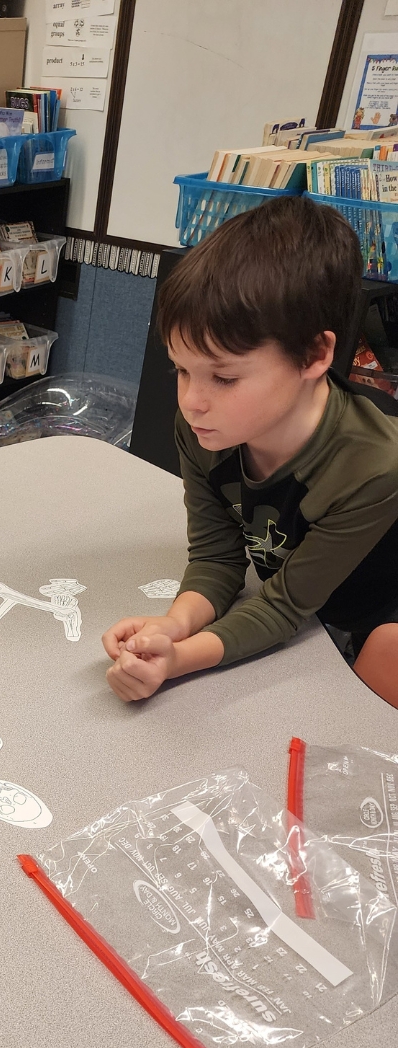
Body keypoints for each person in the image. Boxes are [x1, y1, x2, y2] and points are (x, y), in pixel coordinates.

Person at [103, 196, 398, 707]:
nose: (192, 402)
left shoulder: (373, 465)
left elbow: (283, 608)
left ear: (314, 355)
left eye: (224, 377)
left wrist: (179, 660)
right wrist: (174, 626)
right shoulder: (206, 430)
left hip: (371, 624)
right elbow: (217, 557)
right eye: (181, 370)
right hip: (310, 621)